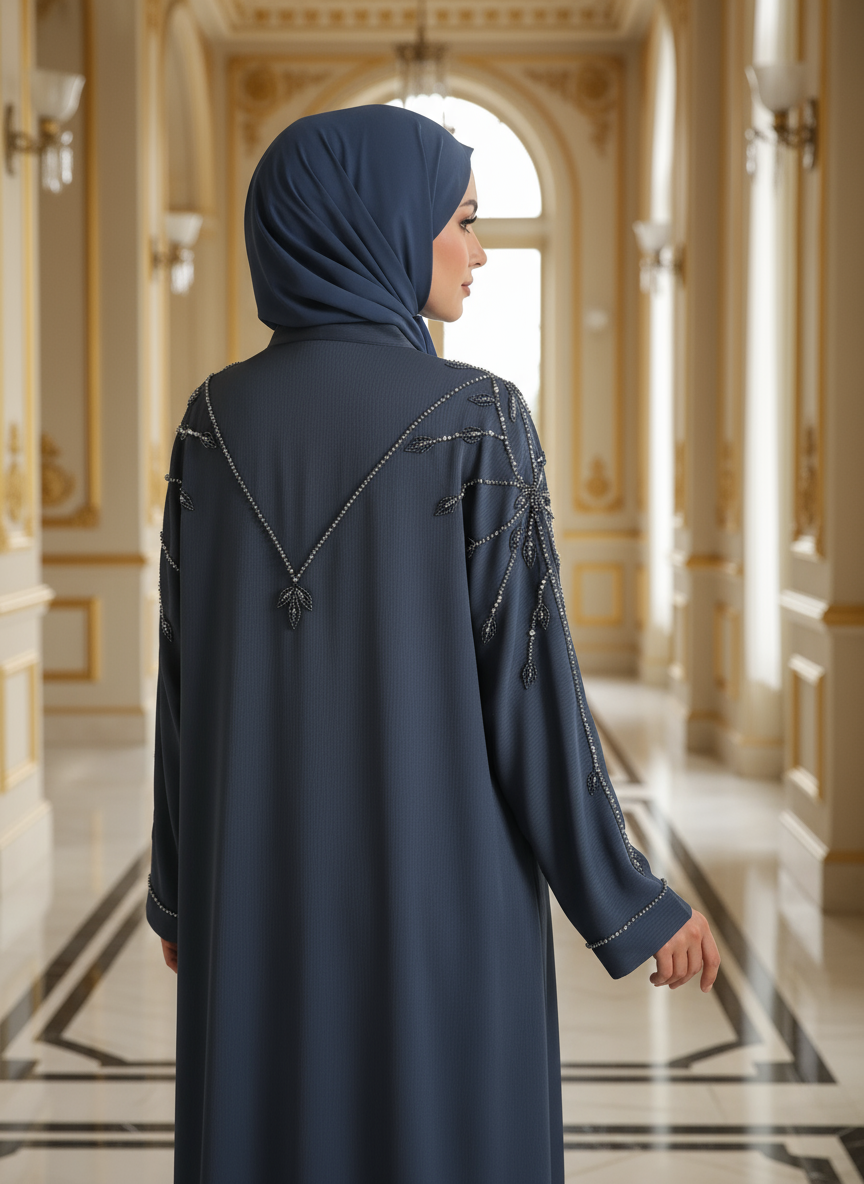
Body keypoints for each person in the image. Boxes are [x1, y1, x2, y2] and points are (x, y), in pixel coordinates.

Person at [147, 103, 719, 1184]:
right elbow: (535, 694)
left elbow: (184, 683)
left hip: (255, 894)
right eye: (460, 219)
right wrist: (631, 898)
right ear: (380, 225)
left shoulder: (207, 422)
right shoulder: (479, 416)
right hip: (439, 896)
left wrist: (182, 889)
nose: (481, 250)